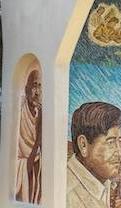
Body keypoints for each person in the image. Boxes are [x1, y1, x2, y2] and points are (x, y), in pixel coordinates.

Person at [67, 102, 121, 208]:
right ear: (83, 145)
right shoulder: (69, 194)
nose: (119, 151)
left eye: (120, 141)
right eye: (110, 142)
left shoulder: (101, 182)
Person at [16, 64, 42, 204]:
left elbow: (40, 142)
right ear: (26, 89)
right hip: (21, 163)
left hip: (36, 162)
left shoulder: (41, 112)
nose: (37, 92)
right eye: (34, 86)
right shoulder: (19, 109)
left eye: (39, 86)